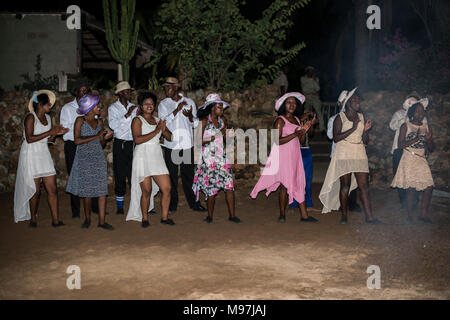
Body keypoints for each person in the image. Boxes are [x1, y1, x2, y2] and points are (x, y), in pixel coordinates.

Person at [251, 92, 318, 223]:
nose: (292, 105)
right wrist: (295, 134)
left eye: (294, 103)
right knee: (284, 185)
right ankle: (282, 214)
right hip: (283, 156)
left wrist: (306, 128)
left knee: (299, 182)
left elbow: (302, 141)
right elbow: (277, 141)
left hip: (295, 156)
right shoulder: (280, 120)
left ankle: (304, 216)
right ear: (283, 105)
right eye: (289, 102)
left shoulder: (297, 120)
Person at [319, 88, 380, 224]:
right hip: (344, 152)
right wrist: (353, 127)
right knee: (345, 185)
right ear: (348, 103)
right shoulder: (339, 118)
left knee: (364, 186)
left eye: (358, 100)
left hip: (359, 151)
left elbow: (365, 140)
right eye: (354, 100)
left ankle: (369, 217)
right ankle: (344, 216)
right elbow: (335, 138)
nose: (357, 102)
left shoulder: (361, 117)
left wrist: (365, 130)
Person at [14, 90, 68, 227]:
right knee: (35, 190)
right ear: (39, 104)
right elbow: (30, 138)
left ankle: (56, 220)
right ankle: (33, 218)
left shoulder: (48, 119)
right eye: (48, 103)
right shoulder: (30, 117)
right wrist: (50, 132)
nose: (50, 105)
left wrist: (56, 134)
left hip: (43, 153)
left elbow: (48, 139)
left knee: (52, 189)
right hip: (31, 154)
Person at [158, 77, 206, 213]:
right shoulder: (163, 104)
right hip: (171, 145)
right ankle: (172, 204)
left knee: (188, 176)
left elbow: (195, 124)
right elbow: (163, 123)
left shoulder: (189, 102)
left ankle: (194, 203)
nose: (166, 89)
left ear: (176, 87)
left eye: (169, 86)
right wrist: (177, 110)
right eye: (165, 87)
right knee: (172, 177)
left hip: (186, 145)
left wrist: (190, 116)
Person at [126, 92, 175, 227]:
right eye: (146, 104)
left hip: (156, 154)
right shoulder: (137, 120)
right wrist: (156, 131)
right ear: (141, 106)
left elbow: (170, 137)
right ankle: (145, 218)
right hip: (142, 155)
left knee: (167, 188)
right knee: (146, 190)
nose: (149, 106)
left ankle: (164, 217)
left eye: (151, 104)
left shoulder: (158, 120)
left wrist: (164, 130)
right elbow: (137, 139)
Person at [66, 94, 114, 230]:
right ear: (90, 108)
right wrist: (97, 136)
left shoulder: (99, 122)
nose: (100, 107)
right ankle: (87, 219)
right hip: (84, 158)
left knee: (101, 191)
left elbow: (101, 143)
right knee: (87, 192)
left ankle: (102, 221)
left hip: (98, 157)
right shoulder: (80, 121)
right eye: (97, 105)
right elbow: (77, 140)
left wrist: (105, 138)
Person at [193, 93, 242, 224]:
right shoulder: (204, 121)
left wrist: (229, 135)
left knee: (229, 186)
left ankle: (232, 216)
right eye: (219, 106)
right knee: (211, 189)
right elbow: (197, 142)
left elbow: (226, 140)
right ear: (212, 107)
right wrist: (215, 136)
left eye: (222, 106)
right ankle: (209, 216)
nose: (222, 108)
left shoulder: (223, 121)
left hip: (221, 158)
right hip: (209, 159)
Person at [60, 79, 99, 217]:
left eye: (86, 90)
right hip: (73, 145)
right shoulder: (67, 108)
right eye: (81, 90)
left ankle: (95, 207)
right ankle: (76, 210)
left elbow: (94, 124)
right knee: (75, 177)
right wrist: (80, 130)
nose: (84, 92)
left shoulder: (91, 107)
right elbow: (65, 131)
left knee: (92, 176)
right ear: (75, 91)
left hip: (88, 144)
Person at [391, 102, 434, 223]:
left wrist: (429, 139)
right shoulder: (406, 126)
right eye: (417, 111)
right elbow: (400, 145)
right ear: (412, 113)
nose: (420, 114)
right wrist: (416, 138)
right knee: (411, 189)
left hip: (421, 159)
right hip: (409, 157)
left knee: (429, 187)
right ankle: (410, 216)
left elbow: (431, 148)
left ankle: (423, 215)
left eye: (422, 111)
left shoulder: (426, 126)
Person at [389, 95, 428, 209]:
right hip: (399, 148)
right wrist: (406, 117)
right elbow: (392, 126)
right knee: (400, 175)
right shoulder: (399, 114)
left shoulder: (422, 117)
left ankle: (413, 202)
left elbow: (424, 130)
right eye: (410, 103)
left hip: (415, 152)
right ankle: (404, 201)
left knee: (415, 176)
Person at [327, 89, 362, 212]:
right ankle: (338, 204)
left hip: (353, 152)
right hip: (338, 154)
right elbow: (331, 136)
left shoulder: (357, 117)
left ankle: (352, 204)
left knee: (353, 181)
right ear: (340, 104)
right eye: (343, 102)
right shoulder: (335, 118)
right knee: (341, 182)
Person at [108, 81, 139, 215]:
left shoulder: (134, 107)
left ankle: (135, 204)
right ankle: (120, 206)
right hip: (120, 143)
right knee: (120, 173)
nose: (129, 93)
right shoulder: (113, 108)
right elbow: (114, 126)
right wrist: (127, 115)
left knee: (134, 174)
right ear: (120, 93)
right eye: (127, 91)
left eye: (130, 91)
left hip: (132, 143)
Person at [288, 106, 321, 213]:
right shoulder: (292, 118)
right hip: (295, 151)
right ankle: (292, 204)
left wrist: (311, 123)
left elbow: (309, 135)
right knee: (294, 179)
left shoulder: (305, 119)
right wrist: (303, 118)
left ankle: (308, 203)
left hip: (306, 150)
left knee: (307, 179)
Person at [301, 66, 325, 132]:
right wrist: (313, 91)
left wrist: (313, 80)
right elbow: (304, 90)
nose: (310, 72)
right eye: (309, 71)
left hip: (315, 97)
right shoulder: (303, 79)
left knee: (319, 112)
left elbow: (318, 89)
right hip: (307, 97)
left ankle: (322, 128)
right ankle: (305, 127)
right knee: (306, 112)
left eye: (311, 71)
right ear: (307, 72)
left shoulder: (315, 79)